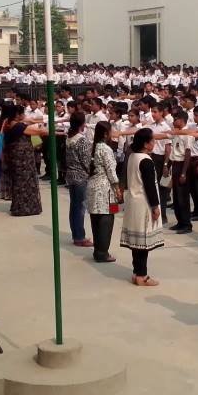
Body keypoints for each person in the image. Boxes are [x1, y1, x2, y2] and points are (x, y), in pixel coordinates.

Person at [121, 128, 164, 286]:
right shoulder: (145, 160)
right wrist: (155, 206)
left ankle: (136, 272)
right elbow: (150, 186)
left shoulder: (132, 156)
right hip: (143, 203)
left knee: (137, 242)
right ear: (146, 144)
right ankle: (142, 275)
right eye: (152, 140)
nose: (154, 143)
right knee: (143, 242)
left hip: (133, 201)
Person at [1, 104, 47, 217]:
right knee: (24, 182)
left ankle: (20, 207)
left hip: (17, 157)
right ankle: (24, 208)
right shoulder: (18, 126)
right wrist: (41, 126)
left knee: (20, 182)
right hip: (22, 159)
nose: (24, 115)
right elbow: (40, 131)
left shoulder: (9, 123)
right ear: (18, 115)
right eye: (23, 113)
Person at [87, 121, 122, 262]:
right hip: (106, 188)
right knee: (107, 219)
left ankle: (98, 250)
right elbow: (111, 172)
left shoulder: (93, 146)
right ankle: (103, 252)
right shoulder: (106, 149)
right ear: (106, 134)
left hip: (93, 185)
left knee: (95, 219)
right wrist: (118, 189)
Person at [65, 112, 93, 247]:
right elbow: (86, 161)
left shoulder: (69, 137)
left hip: (71, 175)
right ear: (83, 124)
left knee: (74, 206)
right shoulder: (82, 140)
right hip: (80, 176)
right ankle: (80, 237)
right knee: (80, 207)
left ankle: (76, 234)